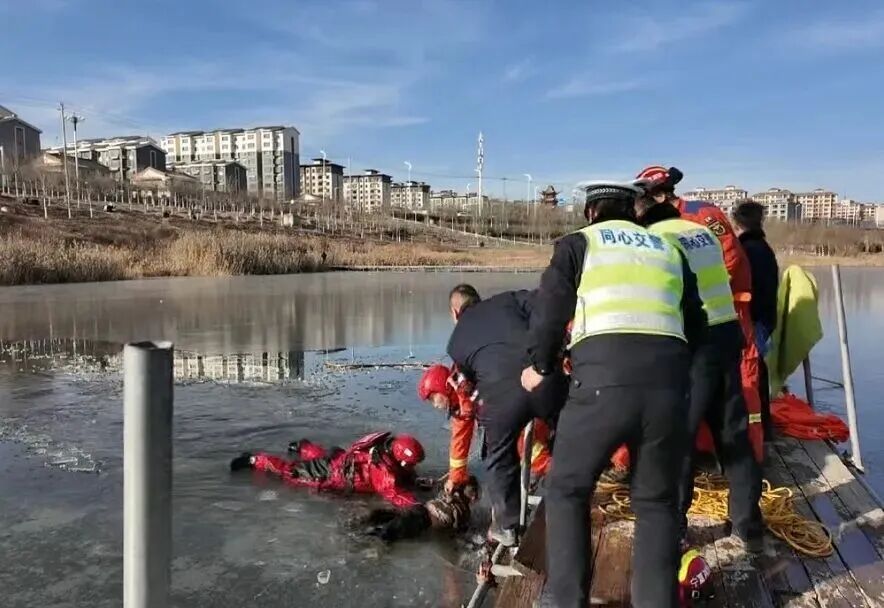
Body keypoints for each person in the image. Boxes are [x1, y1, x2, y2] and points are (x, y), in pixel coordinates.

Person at [522, 181, 707, 608]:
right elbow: (696, 324)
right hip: (667, 390)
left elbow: (549, 313)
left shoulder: (578, 244)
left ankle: (567, 600)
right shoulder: (669, 250)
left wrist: (541, 366)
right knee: (657, 503)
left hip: (600, 387)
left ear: (591, 213)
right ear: (633, 212)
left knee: (567, 489)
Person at [634, 190, 764, 550]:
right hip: (727, 336)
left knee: (679, 438)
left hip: (694, 345)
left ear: (643, 220)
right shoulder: (701, 233)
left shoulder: (658, 240)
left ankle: (674, 529)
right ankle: (749, 528)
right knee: (733, 434)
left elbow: (658, 296)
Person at [636, 166, 764, 463]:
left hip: (727, 306)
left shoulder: (702, 214)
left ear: (658, 195)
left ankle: (752, 456)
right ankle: (704, 452)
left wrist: (697, 297)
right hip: (692, 314)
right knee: (695, 384)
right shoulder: (661, 224)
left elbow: (730, 259)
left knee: (742, 381)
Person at [446, 285, 569, 546]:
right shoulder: (509, 299)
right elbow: (548, 304)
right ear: (479, 300)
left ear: (455, 313)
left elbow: (468, 396)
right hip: (544, 375)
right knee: (570, 433)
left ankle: (506, 527)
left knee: (499, 454)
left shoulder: (455, 343)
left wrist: (457, 474)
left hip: (502, 399)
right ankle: (579, 492)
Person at [417, 363, 552, 488]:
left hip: (524, 414)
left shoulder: (468, 390)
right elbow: (460, 439)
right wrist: (455, 477)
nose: (435, 405)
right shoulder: (460, 399)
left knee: (529, 450)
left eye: (433, 398)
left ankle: (555, 474)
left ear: (444, 388)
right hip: (516, 414)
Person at [230, 432, 426, 508]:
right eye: (410, 464)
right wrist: (421, 507)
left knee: (325, 456)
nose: (412, 467)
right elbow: (396, 495)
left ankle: (302, 447)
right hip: (332, 474)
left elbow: (405, 473)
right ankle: (255, 460)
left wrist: (417, 480)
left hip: (340, 458)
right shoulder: (383, 474)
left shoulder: (383, 448)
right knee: (291, 472)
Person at [732, 200, 780, 441]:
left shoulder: (745, 250)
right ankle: (763, 428)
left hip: (753, 320)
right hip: (764, 318)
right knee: (758, 373)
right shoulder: (763, 248)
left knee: (751, 376)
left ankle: (756, 431)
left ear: (737, 223)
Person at [354, 475, 481, 542]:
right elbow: (458, 531)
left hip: (419, 509)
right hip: (421, 522)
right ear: (473, 497)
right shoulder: (463, 512)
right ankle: (361, 536)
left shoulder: (447, 494)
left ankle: (361, 524)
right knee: (387, 532)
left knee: (388, 517)